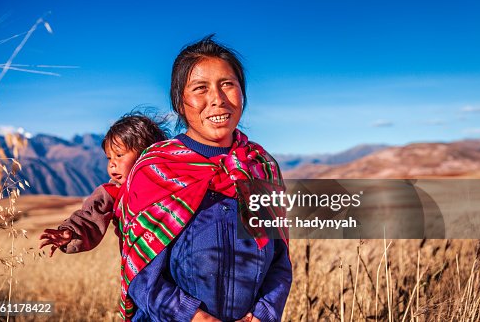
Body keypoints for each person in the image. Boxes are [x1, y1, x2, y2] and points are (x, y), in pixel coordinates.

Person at [117, 36, 292, 322]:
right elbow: (141, 272)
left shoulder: (260, 166)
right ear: (179, 102)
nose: (217, 99)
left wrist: (263, 314)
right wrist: (193, 317)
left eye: (228, 84)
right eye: (200, 88)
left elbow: (279, 263)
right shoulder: (156, 168)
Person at [39, 113, 167, 256]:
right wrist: (71, 232)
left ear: (147, 153)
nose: (112, 164)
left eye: (119, 155)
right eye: (109, 157)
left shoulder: (172, 181)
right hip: (140, 262)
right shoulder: (113, 191)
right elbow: (90, 215)